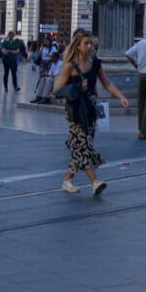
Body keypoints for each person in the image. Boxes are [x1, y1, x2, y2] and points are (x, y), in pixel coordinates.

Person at [57, 29, 128, 196]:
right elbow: (59, 89)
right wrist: (76, 88)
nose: (90, 46)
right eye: (86, 43)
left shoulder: (95, 64)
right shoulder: (70, 66)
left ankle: (68, 180)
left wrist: (121, 97)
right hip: (74, 109)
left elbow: (107, 84)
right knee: (82, 145)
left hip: (89, 108)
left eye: (91, 43)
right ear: (78, 45)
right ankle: (94, 181)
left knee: (81, 145)